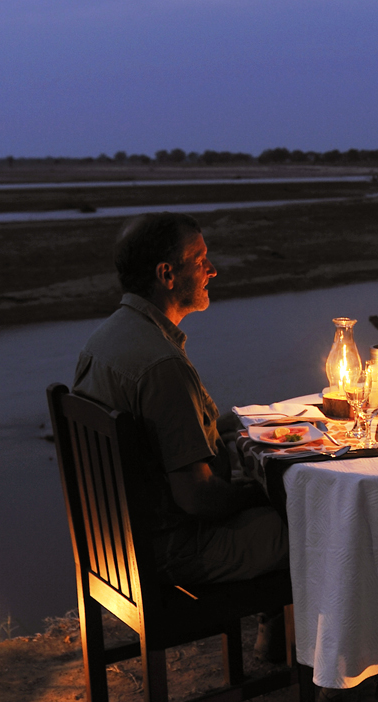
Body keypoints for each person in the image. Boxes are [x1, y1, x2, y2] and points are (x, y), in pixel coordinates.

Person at [72, 212, 289, 588]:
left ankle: (273, 641)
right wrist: (261, 493)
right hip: (177, 552)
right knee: (319, 524)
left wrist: (238, 425)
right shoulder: (162, 365)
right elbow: (198, 498)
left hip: (115, 548)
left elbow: (164, 440)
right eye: (201, 260)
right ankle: (316, 643)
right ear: (167, 275)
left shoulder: (103, 340)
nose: (213, 271)